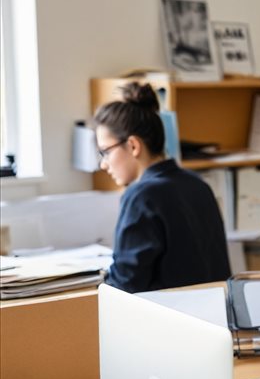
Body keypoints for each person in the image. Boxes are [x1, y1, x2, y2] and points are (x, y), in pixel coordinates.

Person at [93, 82, 231, 293]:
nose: (103, 164)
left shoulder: (141, 196)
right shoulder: (198, 185)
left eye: (106, 152)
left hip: (167, 320)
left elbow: (125, 284)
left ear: (133, 146)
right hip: (212, 317)